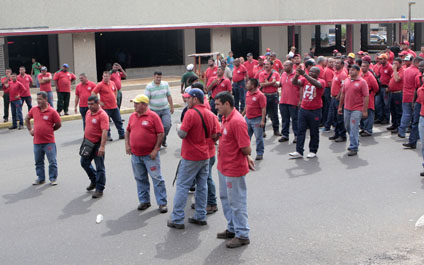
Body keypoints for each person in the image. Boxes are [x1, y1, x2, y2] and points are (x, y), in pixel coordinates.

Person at [168, 88, 217, 230]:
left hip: (191, 156)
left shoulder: (191, 113)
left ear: (195, 99)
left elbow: (182, 134)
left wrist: (178, 127)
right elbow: (215, 135)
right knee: (202, 186)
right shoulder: (210, 113)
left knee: (182, 186)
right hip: (205, 154)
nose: (186, 100)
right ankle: (200, 216)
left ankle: (177, 218)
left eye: (188, 98)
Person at [214, 91, 254, 248]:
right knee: (225, 199)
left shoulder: (237, 121)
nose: (215, 107)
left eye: (218, 104)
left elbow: (246, 148)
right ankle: (232, 228)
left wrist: (247, 156)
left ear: (227, 104)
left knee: (237, 202)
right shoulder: (225, 117)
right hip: (223, 166)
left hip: (233, 169)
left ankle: (242, 234)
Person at [125, 94, 168, 213]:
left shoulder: (153, 116)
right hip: (136, 155)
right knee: (140, 178)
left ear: (144, 105)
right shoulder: (133, 116)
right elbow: (128, 131)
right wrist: (127, 145)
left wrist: (155, 150)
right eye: (134, 103)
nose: (134, 105)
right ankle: (144, 201)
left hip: (150, 155)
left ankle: (162, 202)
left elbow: (160, 134)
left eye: (136, 103)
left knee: (157, 179)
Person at [25, 92, 61, 185]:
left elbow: (58, 124)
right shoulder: (34, 110)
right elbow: (27, 118)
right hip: (37, 142)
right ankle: (41, 178)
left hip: (49, 142)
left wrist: (51, 130)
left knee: (52, 161)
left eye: (40, 99)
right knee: (38, 161)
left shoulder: (52, 111)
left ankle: (53, 178)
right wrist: (30, 129)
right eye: (37, 99)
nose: (38, 101)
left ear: (46, 99)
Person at [289, 67, 325, 159]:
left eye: (313, 72)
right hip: (304, 109)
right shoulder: (304, 80)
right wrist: (297, 75)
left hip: (315, 110)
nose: (311, 73)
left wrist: (304, 74)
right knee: (301, 130)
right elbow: (294, 83)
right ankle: (299, 151)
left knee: (314, 131)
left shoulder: (321, 81)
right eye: (310, 71)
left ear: (318, 74)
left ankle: (313, 150)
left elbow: (317, 84)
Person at [80, 96, 109, 199]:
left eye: (92, 104)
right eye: (88, 104)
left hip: (97, 145)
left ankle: (99, 188)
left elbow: (105, 131)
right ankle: (94, 180)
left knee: (100, 167)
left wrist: (102, 146)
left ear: (98, 104)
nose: (90, 106)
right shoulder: (88, 112)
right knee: (84, 163)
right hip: (88, 144)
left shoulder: (103, 115)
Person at [338, 65, 369, 156]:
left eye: (353, 70)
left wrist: (364, 110)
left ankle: (353, 147)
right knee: (348, 126)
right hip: (347, 108)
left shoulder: (362, 82)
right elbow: (343, 94)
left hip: (357, 109)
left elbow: (366, 96)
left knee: (354, 127)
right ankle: (355, 140)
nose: (351, 71)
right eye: (350, 70)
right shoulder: (347, 81)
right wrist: (340, 106)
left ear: (358, 71)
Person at [92, 71, 125, 141]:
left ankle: (122, 134)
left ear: (109, 77)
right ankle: (108, 135)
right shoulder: (100, 85)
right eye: (104, 76)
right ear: (102, 77)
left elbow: (115, 90)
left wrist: (115, 99)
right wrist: (98, 102)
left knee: (118, 121)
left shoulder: (112, 83)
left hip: (114, 107)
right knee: (106, 123)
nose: (105, 78)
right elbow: (93, 93)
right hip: (106, 108)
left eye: (107, 76)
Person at [145, 71, 174, 147]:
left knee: (167, 126)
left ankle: (163, 140)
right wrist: (146, 110)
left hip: (165, 109)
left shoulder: (165, 84)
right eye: (157, 77)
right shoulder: (149, 86)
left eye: (160, 77)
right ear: (154, 77)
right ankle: (156, 143)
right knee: (155, 128)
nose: (158, 79)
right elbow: (146, 99)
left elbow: (169, 96)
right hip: (154, 110)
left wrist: (172, 106)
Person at [398, 57, 424, 138]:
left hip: (406, 94)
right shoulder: (417, 72)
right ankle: (415, 134)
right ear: (417, 63)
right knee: (413, 116)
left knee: (406, 114)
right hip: (414, 96)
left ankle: (402, 130)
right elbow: (418, 86)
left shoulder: (406, 70)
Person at [242, 78, 266, 160]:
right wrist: (242, 116)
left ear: (253, 85)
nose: (246, 85)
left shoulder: (260, 95)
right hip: (248, 118)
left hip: (257, 119)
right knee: (246, 137)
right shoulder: (247, 93)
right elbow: (246, 106)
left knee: (258, 137)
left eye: (248, 84)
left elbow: (263, 108)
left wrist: (262, 121)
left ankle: (260, 153)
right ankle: (247, 152)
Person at [403, 60, 424, 149]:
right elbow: (416, 89)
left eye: (422, 67)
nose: (420, 68)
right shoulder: (417, 76)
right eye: (419, 66)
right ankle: (412, 141)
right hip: (419, 102)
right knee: (415, 122)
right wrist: (413, 101)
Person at [279, 60, 300, 143]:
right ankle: (285, 135)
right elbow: (281, 84)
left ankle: (297, 135)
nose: (284, 67)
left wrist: (300, 100)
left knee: (295, 119)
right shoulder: (283, 74)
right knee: (285, 119)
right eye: (284, 65)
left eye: (286, 65)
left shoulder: (297, 75)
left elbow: (301, 87)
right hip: (283, 100)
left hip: (293, 101)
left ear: (291, 66)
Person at [258, 60, 281, 136]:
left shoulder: (276, 73)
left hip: (274, 95)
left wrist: (267, 82)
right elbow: (262, 84)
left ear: (272, 65)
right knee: (264, 113)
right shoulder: (261, 74)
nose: (266, 65)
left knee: (274, 114)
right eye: (265, 64)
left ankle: (276, 130)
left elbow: (278, 84)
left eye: (268, 64)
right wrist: (272, 82)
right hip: (265, 95)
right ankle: (262, 131)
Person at [328, 57, 347, 142]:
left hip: (338, 99)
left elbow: (343, 87)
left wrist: (338, 96)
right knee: (334, 117)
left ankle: (342, 135)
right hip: (333, 97)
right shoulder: (336, 73)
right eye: (335, 63)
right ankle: (336, 133)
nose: (335, 64)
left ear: (342, 65)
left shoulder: (343, 74)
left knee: (340, 117)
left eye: (338, 63)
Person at [360, 57, 380, 136]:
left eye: (364, 66)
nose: (362, 68)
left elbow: (376, 87)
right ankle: (363, 128)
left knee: (369, 113)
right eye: (362, 66)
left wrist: (371, 94)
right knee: (362, 113)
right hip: (361, 98)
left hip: (369, 96)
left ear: (368, 67)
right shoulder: (361, 74)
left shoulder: (370, 76)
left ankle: (368, 130)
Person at [386, 58, 404, 134]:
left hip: (398, 93)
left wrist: (395, 70)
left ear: (400, 64)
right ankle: (394, 124)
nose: (394, 65)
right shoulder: (395, 71)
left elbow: (397, 79)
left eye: (396, 63)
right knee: (392, 109)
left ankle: (398, 126)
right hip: (392, 92)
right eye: (394, 63)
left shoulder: (402, 71)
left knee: (398, 110)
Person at [375, 54, 393, 124]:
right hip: (380, 87)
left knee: (386, 104)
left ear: (385, 59)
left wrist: (389, 87)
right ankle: (380, 117)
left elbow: (392, 78)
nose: (380, 60)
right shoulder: (381, 67)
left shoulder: (390, 67)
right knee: (378, 103)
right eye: (379, 59)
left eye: (381, 59)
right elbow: (379, 76)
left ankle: (386, 118)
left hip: (386, 88)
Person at [322, 58, 335, 131]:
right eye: (330, 62)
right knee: (331, 107)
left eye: (333, 62)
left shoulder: (331, 70)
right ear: (327, 63)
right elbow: (330, 83)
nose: (332, 63)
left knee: (328, 107)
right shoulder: (328, 71)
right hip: (328, 90)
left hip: (328, 90)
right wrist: (332, 92)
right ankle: (329, 124)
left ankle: (327, 123)